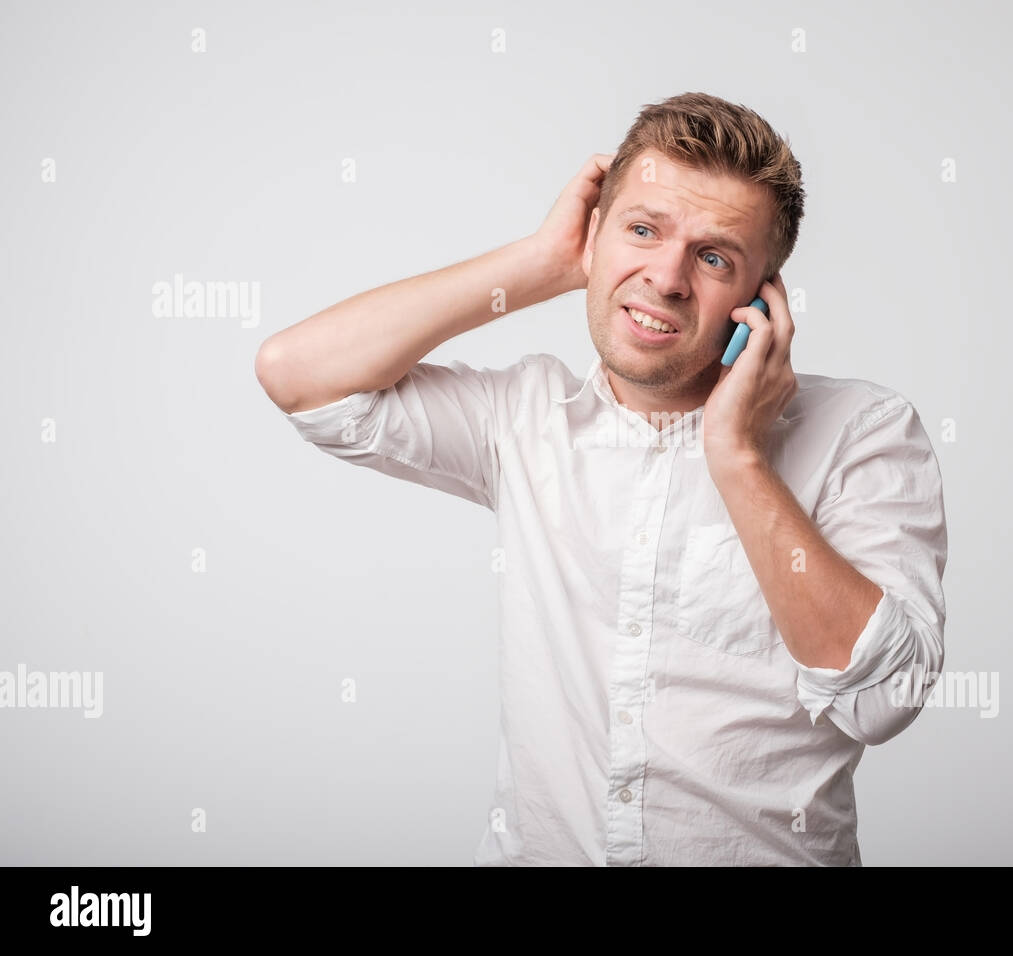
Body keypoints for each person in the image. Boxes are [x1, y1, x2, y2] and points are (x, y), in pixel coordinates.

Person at [254, 91, 948, 866]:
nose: (668, 277)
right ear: (596, 235)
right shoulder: (522, 418)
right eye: (643, 230)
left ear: (763, 298)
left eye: (713, 256)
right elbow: (299, 376)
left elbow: (884, 699)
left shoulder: (865, 433)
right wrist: (539, 264)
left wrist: (740, 460)